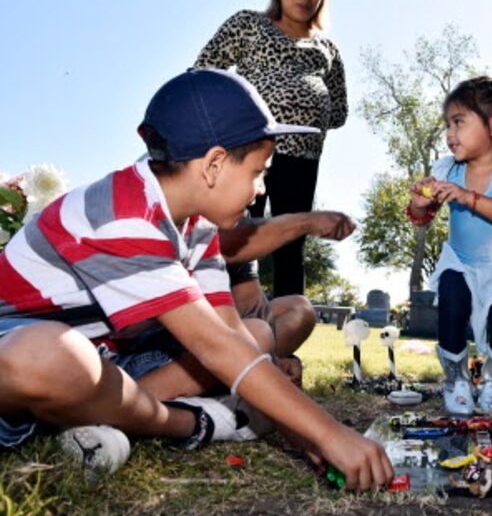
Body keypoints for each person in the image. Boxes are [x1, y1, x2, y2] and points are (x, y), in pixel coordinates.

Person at [0, 69, 392, 490]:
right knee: (48, 354)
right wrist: (328, 433)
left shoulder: (197, 227)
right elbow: (213, 345)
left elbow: (229, 332)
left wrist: (296, 429)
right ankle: (191, 422)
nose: (260, 189)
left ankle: (101, 416)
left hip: (115, 365)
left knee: (256, 334)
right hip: (27, 362)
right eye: (259, 172)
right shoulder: (120, 215)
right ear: (214, 165)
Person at [194, 0, 346, 298]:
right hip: (243, 151)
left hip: (303, 160)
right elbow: (202, 74)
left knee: (291, 244)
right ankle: (222, 324)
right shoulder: (248, 24)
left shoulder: (328, 50)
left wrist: (309, 113)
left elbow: (339, 112)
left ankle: (285, 333)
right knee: (232, 234)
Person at [407, 76, 492, 415]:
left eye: (459, 122)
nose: (450, 134)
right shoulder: (448, 169)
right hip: (459, 259)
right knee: (451, 306)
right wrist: (419, 206)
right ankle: (457, 378)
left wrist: (470, 198)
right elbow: (421, 218)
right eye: (447, 125)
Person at [219, 211, 356, 388]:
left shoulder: (238, 225)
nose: (260, 190)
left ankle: (252, 370)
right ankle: (240, 378)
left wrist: (276, 359)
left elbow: (252, 306)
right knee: (258, 334)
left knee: (300, 309)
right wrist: (306, 222)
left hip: (222, 334)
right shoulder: (189, 224)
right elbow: (222, 243)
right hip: (187, 341)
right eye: (254, 181)